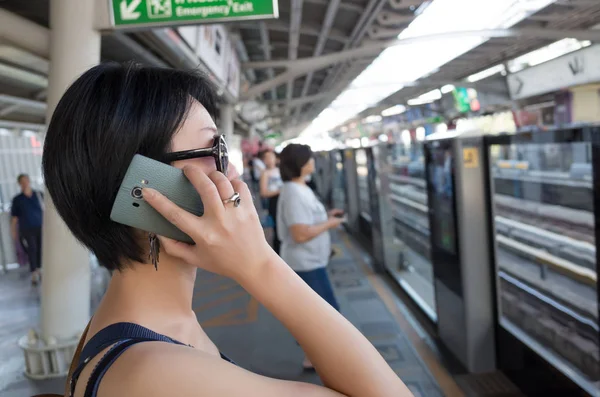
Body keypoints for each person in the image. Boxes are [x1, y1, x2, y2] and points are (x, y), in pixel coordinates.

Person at [42, 63, 413, 397]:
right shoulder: (157, 374)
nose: (234, 176)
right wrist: (259, 264)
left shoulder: (145, 326)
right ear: (143, 191)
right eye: (214, 149)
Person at [277, 143, 347, 370]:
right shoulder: (294, 192)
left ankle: (314, 357)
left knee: (315, 313)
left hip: (310, 261)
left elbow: (304, 221)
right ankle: (321, 358)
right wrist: (330, 223)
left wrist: (325, 215)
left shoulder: (299, 187)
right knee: (327, 313)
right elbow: (299, 233)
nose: (313, 161)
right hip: (304, 263)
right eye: (310, 158)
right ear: (301, 163)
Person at [10, 173, 43, 285]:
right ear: (19, 184)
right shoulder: (17, 200)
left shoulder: (39, 195)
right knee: (32, 249)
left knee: (41, 249)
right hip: (27, 229)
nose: (25, 183)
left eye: (26, 180)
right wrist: (13, 232)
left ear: (29, 181)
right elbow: (14, 219)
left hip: (40, 227)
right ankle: (34, 273)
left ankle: (40, 270)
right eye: (22, 182)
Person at [259, 149, 283, 254]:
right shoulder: (265, 173)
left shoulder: (280, 170)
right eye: (267, 157)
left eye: (271, 156)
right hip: (274, 202)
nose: (269, 159)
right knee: (277, 229)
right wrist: (279, 191)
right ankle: (278, 253)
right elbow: (263, 193)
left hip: (283, 200)